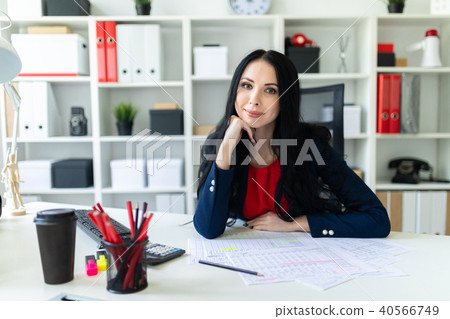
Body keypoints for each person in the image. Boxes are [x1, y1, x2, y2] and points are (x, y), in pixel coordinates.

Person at [193, 49, 390, 240]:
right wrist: (226, 148)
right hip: (249, 251)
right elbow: (208, 229)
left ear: (284, 99)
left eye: (270, 90)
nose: (254, 100)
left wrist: (295, 224)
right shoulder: (220, 144)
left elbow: (377, 219)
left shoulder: (310, 146)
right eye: (246, 85)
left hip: (303, 254)